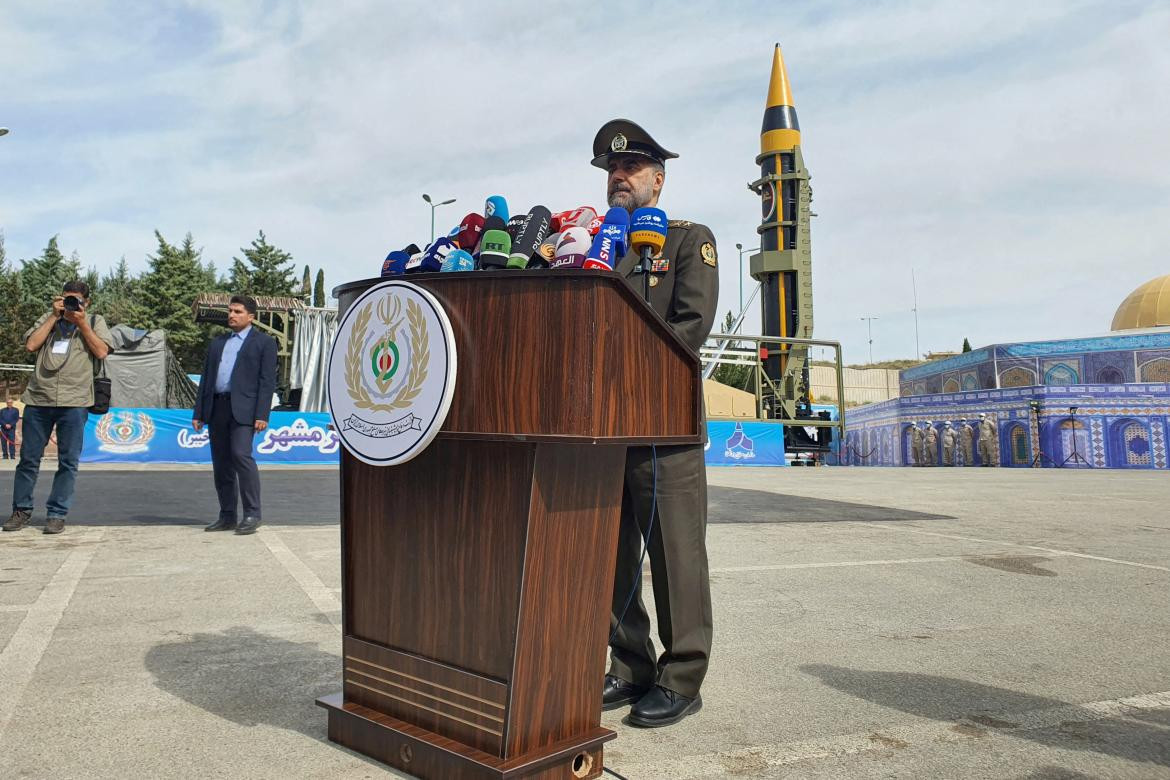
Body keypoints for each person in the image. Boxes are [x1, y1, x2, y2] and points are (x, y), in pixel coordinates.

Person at [593, 119, 718, 728]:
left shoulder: (688, 242)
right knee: (612, 555)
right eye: (612, 170)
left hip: (664, 427)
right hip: (603, 430)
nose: (618, 177)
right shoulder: (597, 248)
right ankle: (630, 664)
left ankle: (682, 676)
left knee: (675, 555)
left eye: (631, 169)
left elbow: (690, 329)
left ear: (658, 181)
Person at [3, 281, 112, 534]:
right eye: (66, 299)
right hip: (39, 399)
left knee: (68, 461)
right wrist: (54, 315)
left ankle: (56, 513)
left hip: (75, 402)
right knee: (28, 459)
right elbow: (31, 345)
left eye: (76, 300)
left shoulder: (95, 321)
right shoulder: (48, 317)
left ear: (87, 302)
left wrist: (82, 322)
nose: (70, 305)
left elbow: (102, 351)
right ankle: (21, 510)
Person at [192, 295, 277, 535]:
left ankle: (252, 513)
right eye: (230, 311)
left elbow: (267, 381)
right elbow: (206, 379)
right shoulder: (218, 343)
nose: (231, 315)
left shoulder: (264, 343)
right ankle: (227, 515)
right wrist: (199, 412)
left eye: (238, 311)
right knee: (221, 463)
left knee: (241, 455)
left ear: (251, 316)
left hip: (245, 411)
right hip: (217, 408)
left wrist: (262, 414)